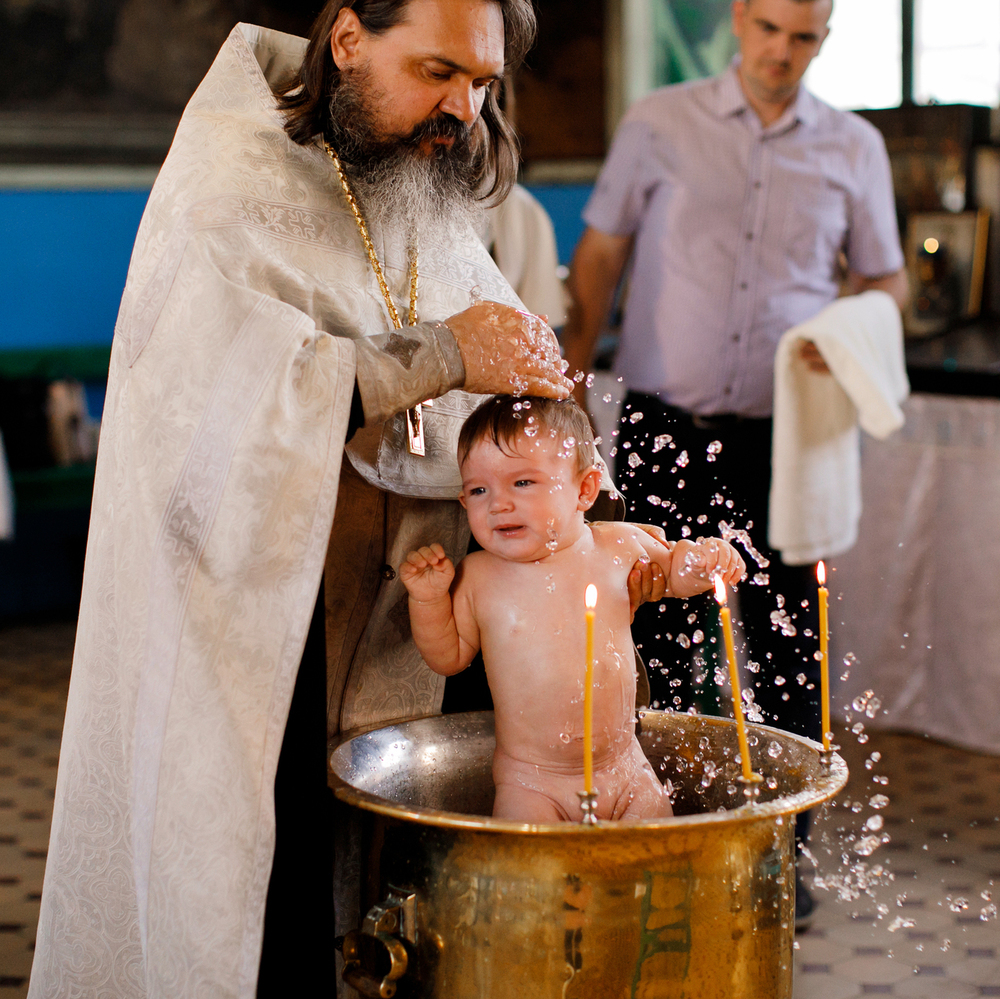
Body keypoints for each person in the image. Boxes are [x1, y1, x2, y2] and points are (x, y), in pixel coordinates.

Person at [26, 2, 613, 996]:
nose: (463, 110)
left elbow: (492, 347)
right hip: (265, 635)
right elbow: (212, 402)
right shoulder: (228, 178)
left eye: (481, 83)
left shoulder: (417, 184)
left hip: (415, 625)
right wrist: (442, 354)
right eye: (438, 72)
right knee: (278, 924)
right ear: (347, 38)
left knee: (413, 922)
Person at [560, 0, 907, 921]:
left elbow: (886, 281)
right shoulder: (658, 122)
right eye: (767, 29)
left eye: (805, 38)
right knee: (663, 647)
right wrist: (564, 398)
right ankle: (676, 844)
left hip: (785, 438)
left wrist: (854, 329)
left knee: (793, 646)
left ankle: (777, 862)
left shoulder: (854, 148)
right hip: (662, 430)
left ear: (824, 40)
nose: (781, 53)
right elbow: (598, 257)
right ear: (738, 20)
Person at [400, 395, 745, 823]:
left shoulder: (618, 544)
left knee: (655, 872)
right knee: (534, 883)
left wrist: (706, 559)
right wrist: (429, 598)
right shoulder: (479, 576)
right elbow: (447, 657)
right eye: (478, 490)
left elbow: (676, 572)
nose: (498, 503)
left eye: (522, 483)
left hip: (625, 768)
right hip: (532, 783)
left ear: (584, 489)